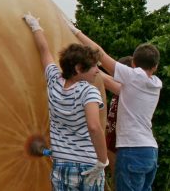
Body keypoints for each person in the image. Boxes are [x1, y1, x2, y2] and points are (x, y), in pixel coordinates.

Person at [67, 19, 162, 191]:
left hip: (132, 150)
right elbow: (109, 81)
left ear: (133, 64)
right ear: (155, 67)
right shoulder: (154, 84)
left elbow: (101, 55)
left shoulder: (133, 77)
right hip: (150, 151)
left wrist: (75, 31)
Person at [23, 12, 108, 190]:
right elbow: (94, 127)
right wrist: (102, 160)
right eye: (93, 66)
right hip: (88, 165)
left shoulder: (54, 81)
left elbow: (44, 51)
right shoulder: (88, 91)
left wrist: (35, 27)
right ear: (78, 68)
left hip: (62, 165)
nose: (97, 71)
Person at [102, 56, 132, 186]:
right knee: (117, 181)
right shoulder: (119, 89)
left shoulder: (128, 91)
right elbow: (108, 78)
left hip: (122, 144)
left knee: (123, 182)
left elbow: (103, 79)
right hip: (112, 140)